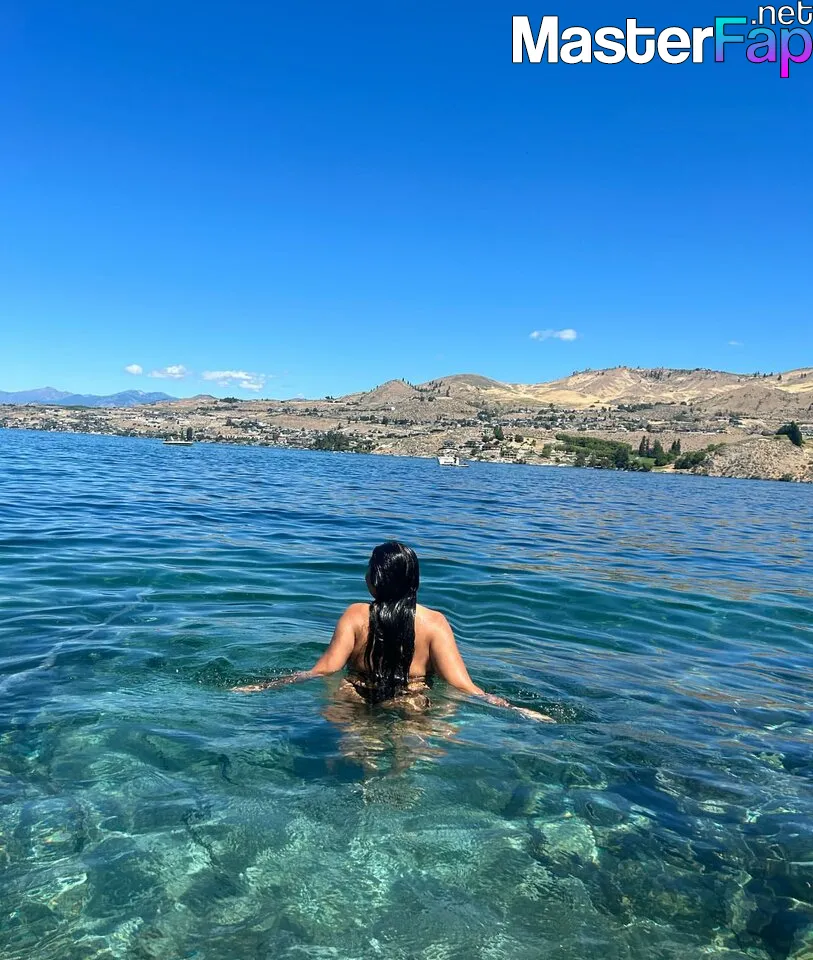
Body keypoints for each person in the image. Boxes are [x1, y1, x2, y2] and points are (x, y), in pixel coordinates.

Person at [232, 541, 554, 723]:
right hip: (413, 699)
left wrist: (264, 685)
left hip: (355, 694)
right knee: (409, 756)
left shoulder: (356, 615)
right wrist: (514, 708)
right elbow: (463, 686)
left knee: (360, 752)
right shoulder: (435, 623)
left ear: (377, 578)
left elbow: (323, 670)